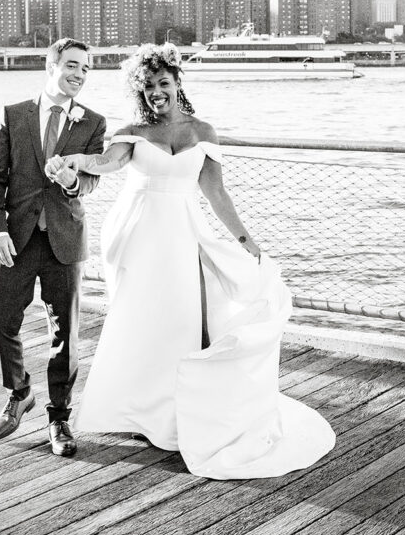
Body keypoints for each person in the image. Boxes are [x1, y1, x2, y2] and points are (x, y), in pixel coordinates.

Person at [55, 42, 335, 479]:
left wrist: (247, 242)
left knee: (181, 322)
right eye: (147, 87)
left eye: (162, 83)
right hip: (140, 235)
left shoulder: (203, 131)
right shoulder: (134, 131)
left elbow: (216, 192)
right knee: (138, 320)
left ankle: (173, 416)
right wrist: (75, 158)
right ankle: (134, 412)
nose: (155, 93)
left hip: (182, 236)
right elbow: (105, 163)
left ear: (176, 82)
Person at [0, 37, 106, 457]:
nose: (79, 75)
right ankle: (19, 393)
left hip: (64, 240)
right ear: (51, 65)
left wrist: (71, 181)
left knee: (66, 334)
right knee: (1, 321)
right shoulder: (14, 114)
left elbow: (90, 181)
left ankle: (59, 418)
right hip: (15, 238)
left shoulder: (93, 123)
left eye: (86, 69)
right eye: (72, 65)